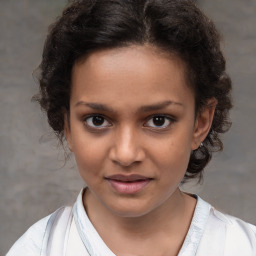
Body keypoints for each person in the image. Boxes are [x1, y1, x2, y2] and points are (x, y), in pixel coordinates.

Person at [6, 0, 256, 255]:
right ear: (68, 125)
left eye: (158, 120)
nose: (126, 154)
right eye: (97, 120)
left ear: (200, 123)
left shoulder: (244, 247)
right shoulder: (36, 249)